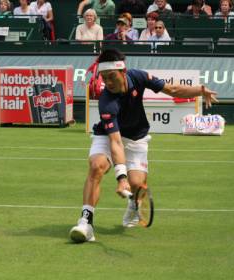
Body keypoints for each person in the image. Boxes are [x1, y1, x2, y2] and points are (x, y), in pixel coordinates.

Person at [68, 48, 218, 243]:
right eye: (104, 78)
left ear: (123, 71)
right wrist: (121, 177)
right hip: (108, 136)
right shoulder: (107, 101)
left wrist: (200, 89)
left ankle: (134, 203)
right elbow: (115, 142)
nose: (109, 82)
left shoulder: (138, 76)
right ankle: (85, 222)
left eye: (112, 76)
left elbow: (172, 90)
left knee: (137, 184)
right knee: (97, 166)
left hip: (137, 137)